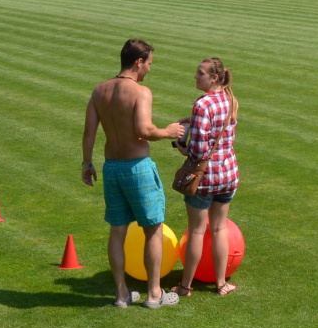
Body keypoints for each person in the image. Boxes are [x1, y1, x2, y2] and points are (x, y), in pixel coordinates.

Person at [81, 38, 185, 308]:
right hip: (137, 168)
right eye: (149, 63)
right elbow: (144, 130)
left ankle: (121, 295)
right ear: (138, 62)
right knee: (153, 230)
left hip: (111, 168)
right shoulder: (141, 92)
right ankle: (154, 294)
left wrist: (86, 163)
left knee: (117, 231)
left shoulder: (99, 91)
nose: (149, 69)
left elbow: (89, 131)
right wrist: (169, 132)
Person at [174, 57, 240, 297]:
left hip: (205, 178)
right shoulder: (230, 99)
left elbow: (199, 150)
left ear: (213, 78)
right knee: (219, 229)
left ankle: (185, 286)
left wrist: (182, 148)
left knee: (197, 231)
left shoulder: (202, 104)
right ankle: (221, 284)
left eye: (200, 73)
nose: (195, 76)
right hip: (228, 174)